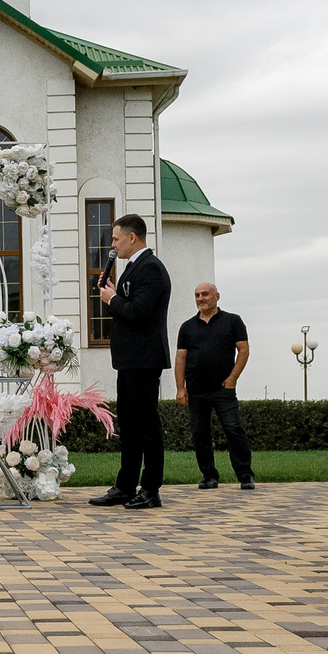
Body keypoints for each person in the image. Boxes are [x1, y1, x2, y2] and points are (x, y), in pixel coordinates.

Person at [90, 213, 169, 509]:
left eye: (115, 239)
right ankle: (125, 486)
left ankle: (150, 489)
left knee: (147, 425)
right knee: (132, 426)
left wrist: (112, 299)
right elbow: (127, 309)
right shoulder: (133, 269)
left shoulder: (151, 269)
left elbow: (139, 312)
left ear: (132, 237)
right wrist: (111, 293)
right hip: (129, 360)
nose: (113, 245)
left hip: (144, 359)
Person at [174, 282, 253, 490]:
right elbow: (180, 358)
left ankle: (245, 475)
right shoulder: (187, 327)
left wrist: (233, 378)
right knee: (200, 434)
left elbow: (243, 351)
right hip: (196, 390)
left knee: (234, 430)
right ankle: (209, 476)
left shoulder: (232, 321)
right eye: (197, 295)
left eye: (205, 294)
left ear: (217, 296)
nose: (201, 298)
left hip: (223, 389)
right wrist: (180, 388)